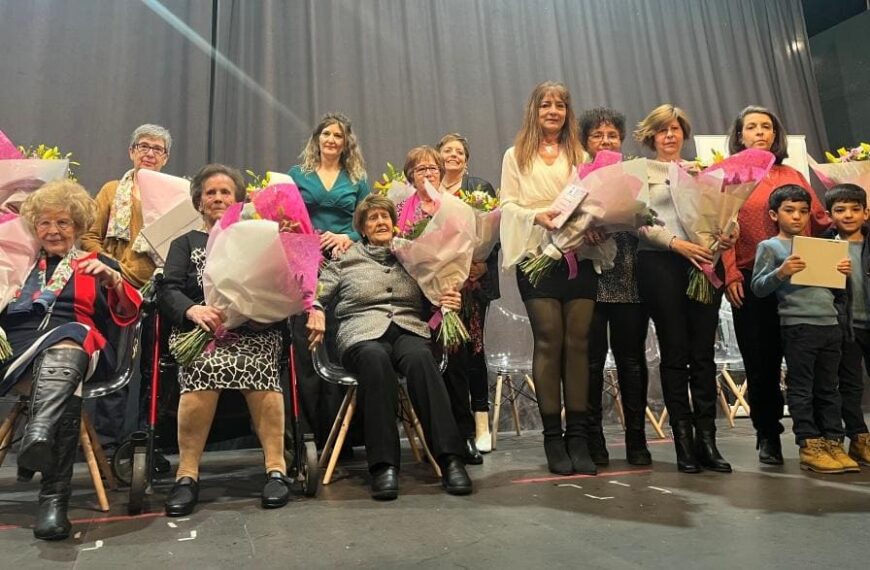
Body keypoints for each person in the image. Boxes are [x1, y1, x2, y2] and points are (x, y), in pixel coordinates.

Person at [307, 193, 472, 500]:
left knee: (422, 359)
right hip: (361, 333)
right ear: (363, 228)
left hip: (408, 328)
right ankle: (384, 466)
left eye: (385, 217)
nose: (380, 222)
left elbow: (436, 293)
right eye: (373, 218)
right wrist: (315, 308)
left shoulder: (413, 255)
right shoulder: (345, 258)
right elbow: (318, 293)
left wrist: (449, 300)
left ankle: (451, 459)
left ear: (395, 224)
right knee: (374, 359)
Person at [0, 180, 141, 540]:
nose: (53, 230)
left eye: (62, 222)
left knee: (70, 338)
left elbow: (128, 314)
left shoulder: (97, 263)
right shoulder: (16, 261)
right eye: (45, 223)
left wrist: (113, 282)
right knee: (65, 382)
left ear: (78, 227)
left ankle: (45, 462)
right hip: (16, 351)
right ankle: (50, 491)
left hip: (79, 346)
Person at [159, 164, 291, 516]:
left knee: (259, 364)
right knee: (203, 365)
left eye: (225, 192)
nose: (217, 198)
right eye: (210, 193)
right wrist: (193, 311)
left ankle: (276, 469)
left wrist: (260, 307)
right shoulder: (185, 243)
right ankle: (187, 475)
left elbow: (277, 283)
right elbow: (168, 289)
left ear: (238, 200)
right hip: (202, 333)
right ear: (199, 202)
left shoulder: (257, 236)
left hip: (254, 332)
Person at [499, 81, 599, 475]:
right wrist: (533, 215)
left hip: (580, 255)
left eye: (560, 105)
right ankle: (553, 440)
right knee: (548, 339)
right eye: (546, 105)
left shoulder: (581, 153)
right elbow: (507, 203)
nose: (553, 111)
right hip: (537, 253)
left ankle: (578, 439)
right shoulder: (516, 156)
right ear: (534, 111)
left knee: (577, 343)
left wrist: (595, 225)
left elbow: (597, 199)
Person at [721, 106, 829, 465]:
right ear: (739, 136)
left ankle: (814, 436)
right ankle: (767, 435)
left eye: (766, 127)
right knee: (761, 362)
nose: (759, 132)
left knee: (807, 361)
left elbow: (818, 221)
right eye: (751, 127)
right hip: (754, 279)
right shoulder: (731, 176)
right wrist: (731, 273)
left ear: (775, 134)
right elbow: (720, 227)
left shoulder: (793, 173)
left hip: (802, 277)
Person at [634, 104, 734, 474]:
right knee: (675, 352)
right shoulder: (642, 172)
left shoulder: (704, 171)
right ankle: (683, 442)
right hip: (661, 264)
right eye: (663, 130)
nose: (670, 135)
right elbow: (638, 221)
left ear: (685, 133)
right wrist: (676, 243)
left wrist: (726, 237)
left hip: (704, 263)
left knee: (704, 353)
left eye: (676, 129)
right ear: (652, 136)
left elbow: (724, 216)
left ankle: (708, 439)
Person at [750, 184, 859, 473]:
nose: (797, 217)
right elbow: (758, 287)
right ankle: (809, 443)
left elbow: (835, 291)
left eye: (803, 211)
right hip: (798, 326)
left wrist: (843, 275)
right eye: (789, 211)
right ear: (774, 214)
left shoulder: (821, 244)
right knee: (801, 388)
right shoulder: (770, 246)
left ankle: (833, 441)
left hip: (829, 324)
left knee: (829, 387)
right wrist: (781, 271)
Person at [80, 123, 172, 455]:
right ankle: (107, 444)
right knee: (113, 366)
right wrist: (115, 268)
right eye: (143, 146)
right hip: (116, 290)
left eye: (157, 149)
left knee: (156, 369)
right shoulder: (109, 191)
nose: (149, 153)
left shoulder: (178, 195)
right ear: (131, 152)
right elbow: (88, 237)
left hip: (160, 291)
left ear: (166, 158)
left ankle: (149, 443)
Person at [288, 113, 370, 448]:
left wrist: (346, 236)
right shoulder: (298, 175)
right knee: (306, 346)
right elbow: (287, 216)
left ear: (346, 142)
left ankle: (343, 439)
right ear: (317, 138)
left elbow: (369, 220)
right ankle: (310, 435)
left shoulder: (357, 177)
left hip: (341, 264)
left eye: (338, 135)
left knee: (337, 345)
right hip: (304, 263)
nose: (332, 140)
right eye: (326, 134)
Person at [578, 107, 651, 466]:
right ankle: (594, 439)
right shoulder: (576, 176)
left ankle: (637, 439)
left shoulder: (636, 174)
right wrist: (583, 228)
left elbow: (651, 219)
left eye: (611, 135)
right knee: (591, 362)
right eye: (597, 135)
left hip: (630, 274)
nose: (605, 140)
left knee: (632, 360)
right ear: (585, 142)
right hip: (590, 277)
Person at [436, 133, 500, 462]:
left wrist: (481, 265)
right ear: (437, 157)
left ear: (467, 159)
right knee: (446, 356)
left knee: (473, 351)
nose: (453, 155)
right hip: (439, 287)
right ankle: (448, 426)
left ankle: (480, 424)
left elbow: (493, 231)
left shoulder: (479, 189)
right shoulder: (429, 192)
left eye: (459, 151)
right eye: (447, 151)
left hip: (473, 285)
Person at [822, 183, 870, 465]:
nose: (848, 215)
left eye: (855, 209)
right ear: (829, 214)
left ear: (867, 212)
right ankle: (859, 436)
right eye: (840, 210)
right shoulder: (824, 245)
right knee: (850, 384)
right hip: (846, 326)